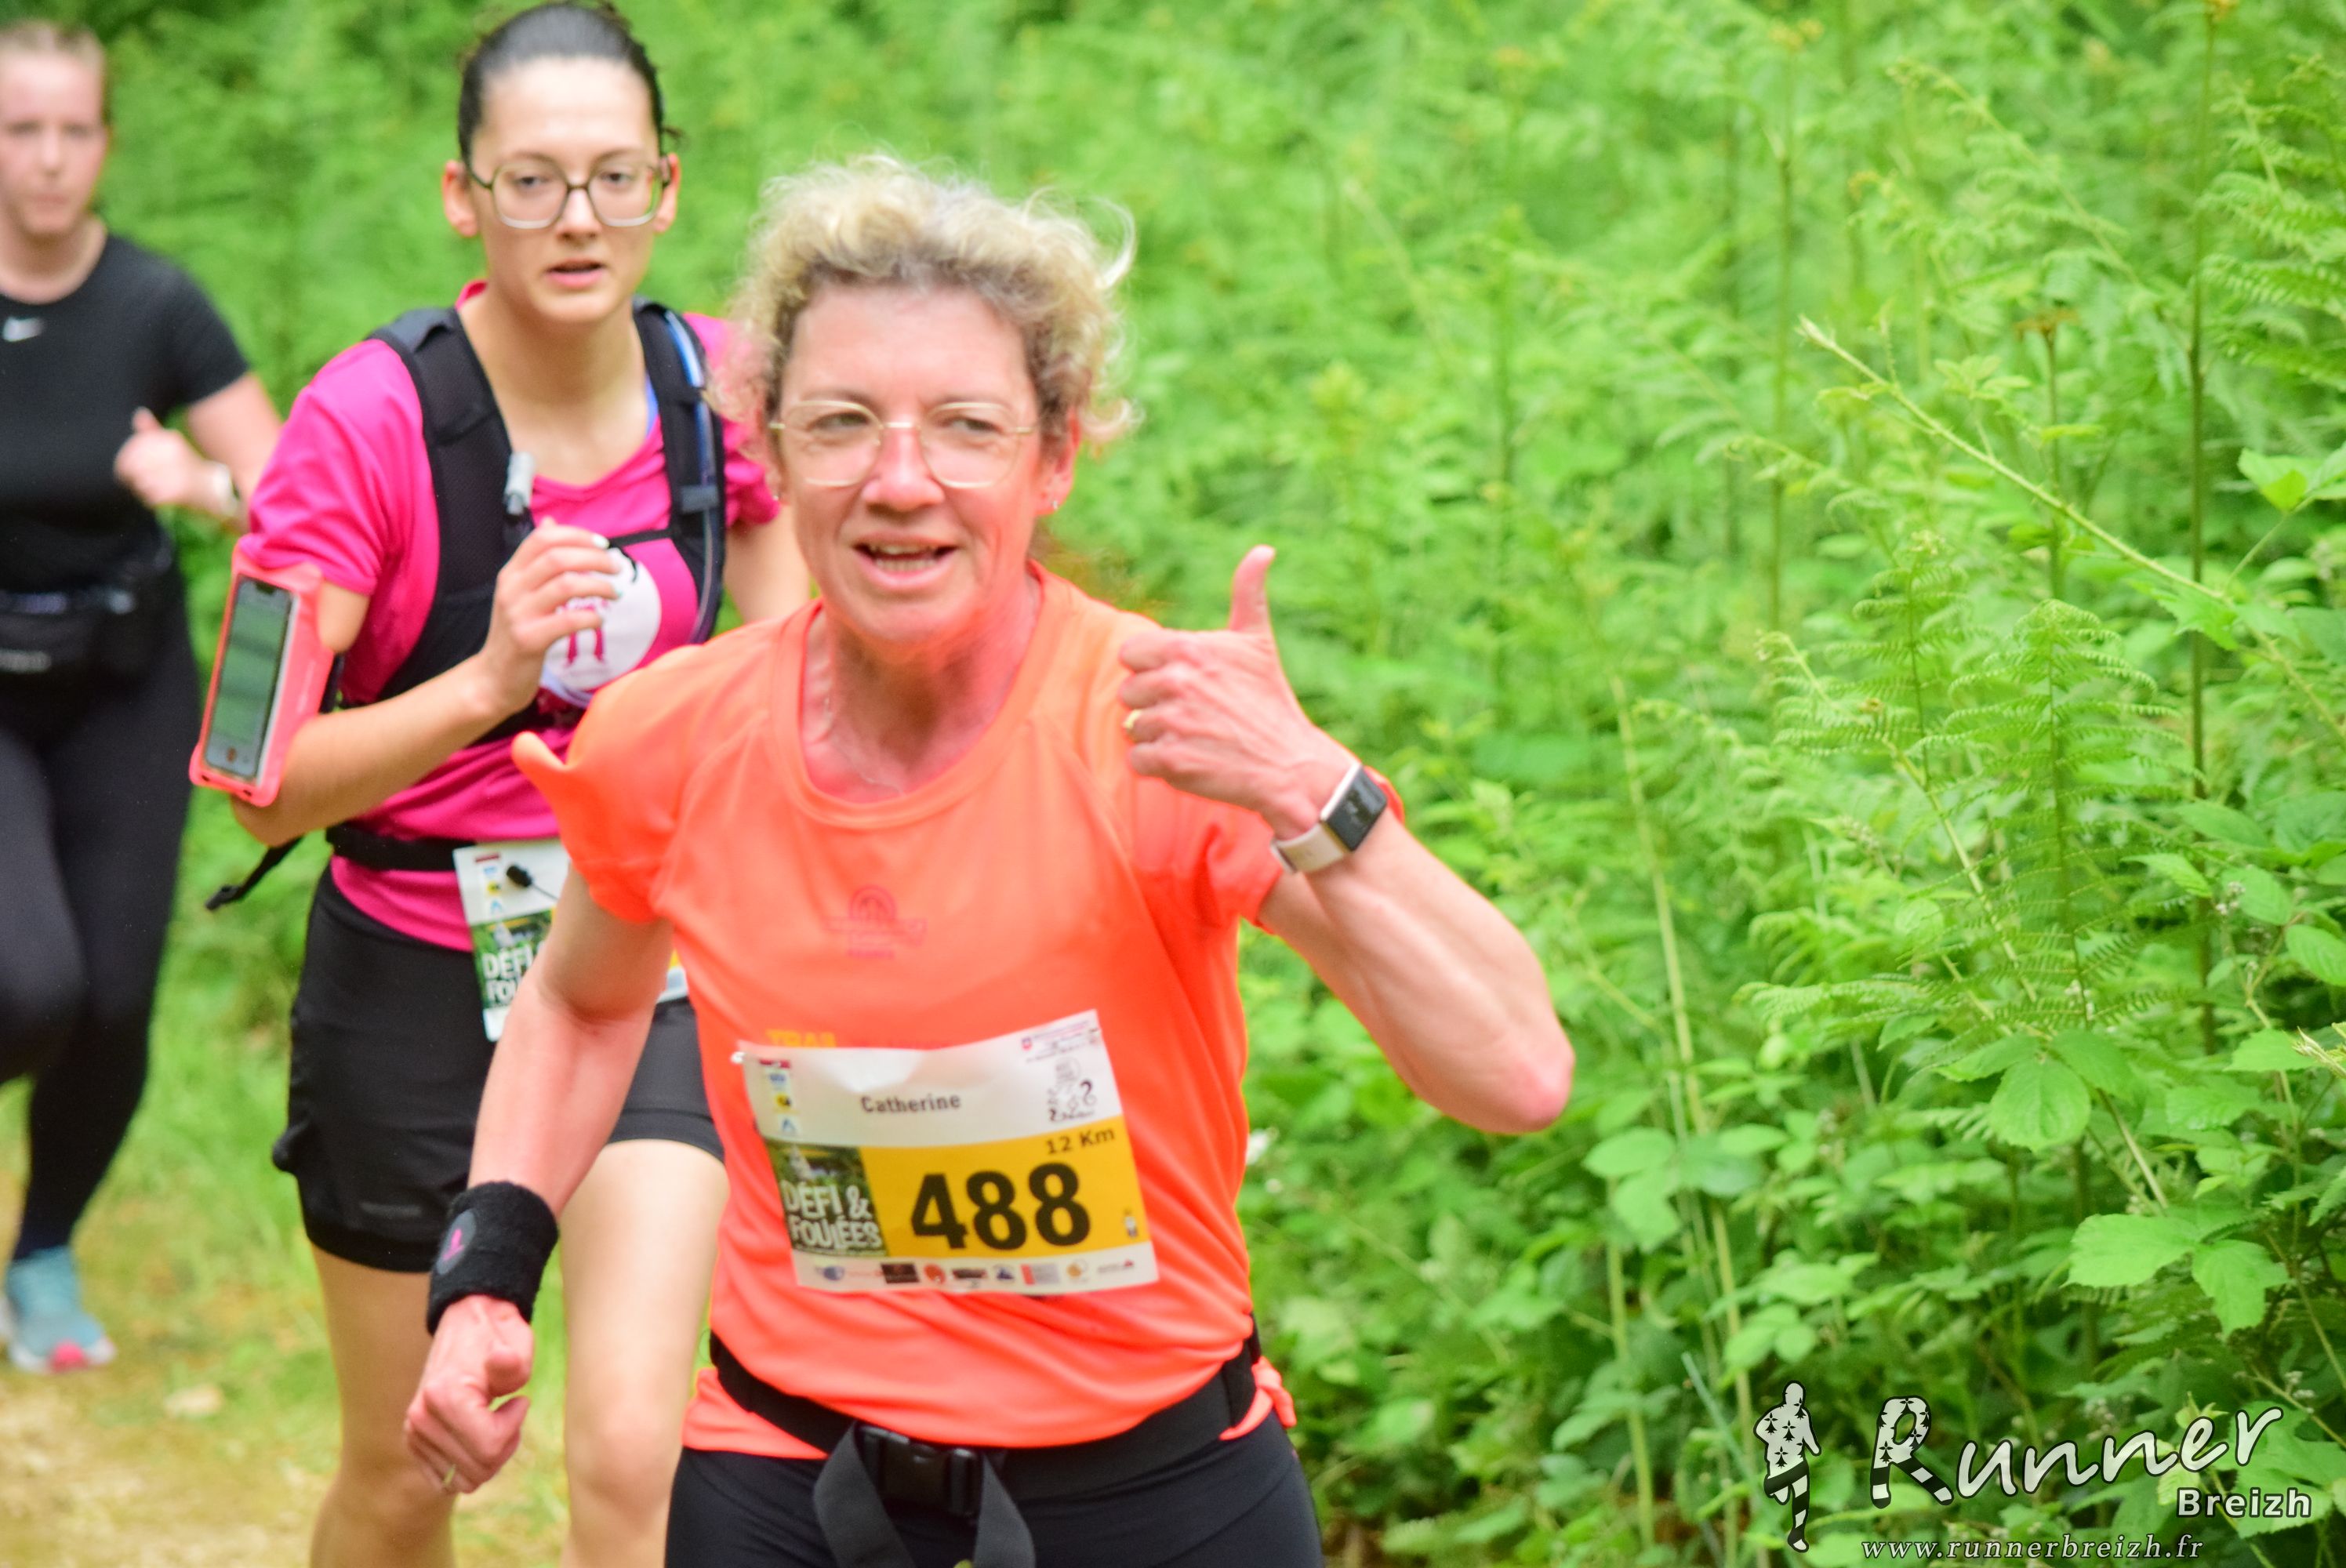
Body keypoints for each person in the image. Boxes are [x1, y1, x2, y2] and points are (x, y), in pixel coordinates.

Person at [405, 155, 1571, 1568]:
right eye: (843, 423)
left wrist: (1305, 785)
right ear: (772, 450)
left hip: (1155, 1496)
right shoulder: (675, 735)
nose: (902, 483)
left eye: (967, 427)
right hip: (792, 1482)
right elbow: (583, 1006)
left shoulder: (1164, 733)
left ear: (1055, 456)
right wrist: (487, 1274)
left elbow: (1516, 1074)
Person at [229, 5, 802, 1564]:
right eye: (532, 181)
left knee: (634, 1449)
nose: (577, 219)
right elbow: (260, 788)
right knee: (409, 1469)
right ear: (462, 196)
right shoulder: (359, 422)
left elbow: (803, 676)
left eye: (615, 177)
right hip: (412, 979)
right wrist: (487, 682)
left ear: (667, 188)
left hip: (637, 970)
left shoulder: (724, 388)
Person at [0, 19, 279, 1374]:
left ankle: (42, 1254)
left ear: (106, 143)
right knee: (29, 984)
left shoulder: (157, 304)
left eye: (74, 130)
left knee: (112, 998)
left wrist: (199, 485)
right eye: (22, 129)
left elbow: (291, 500)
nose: (50, 158)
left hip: (125, 681)